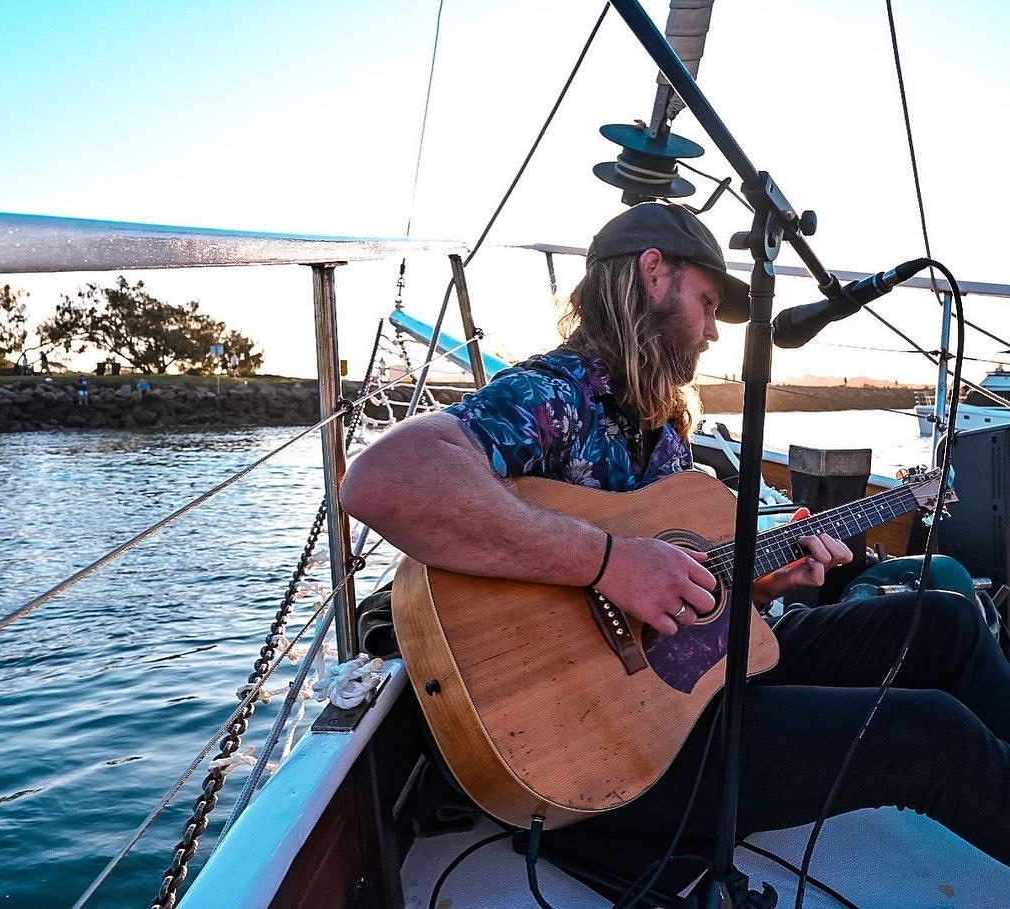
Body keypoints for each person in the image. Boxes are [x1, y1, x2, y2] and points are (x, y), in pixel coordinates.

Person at [341, 202, 1010, 873]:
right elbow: (382, 480)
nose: (714, 333)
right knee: (926, 734)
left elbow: (676, 602)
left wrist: (766, 582)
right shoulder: (555, 395)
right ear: (653, 273)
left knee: (944, 620)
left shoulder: (663, 429)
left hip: (692, 685)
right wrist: (609, 561)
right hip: (608, 743)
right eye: (708, 301)